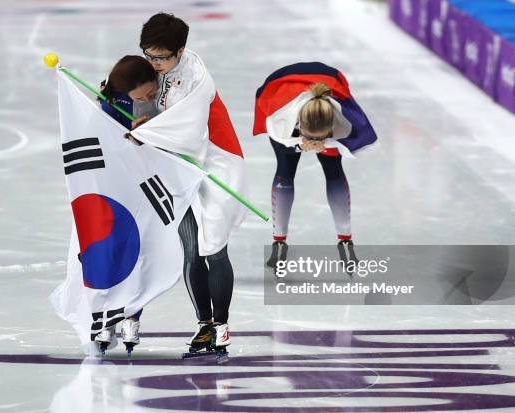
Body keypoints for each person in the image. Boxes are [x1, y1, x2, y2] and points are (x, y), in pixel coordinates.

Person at [134, 12, 246, 356]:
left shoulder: (197, 78)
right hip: (178, 165)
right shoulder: (154, 68)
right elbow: (133, 97)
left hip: (216, 166)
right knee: (191, 247)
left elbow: (188, 132)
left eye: (161, 57)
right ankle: (204, 325)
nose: (154, 64)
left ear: (180, 51)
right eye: (148, 55)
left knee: (214, 246)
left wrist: (146, 130)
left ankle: (222, 327)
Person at [253, 62, 377, 270]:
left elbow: (361, 145)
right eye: (311, 137)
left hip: (331, 82)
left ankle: (345, 240)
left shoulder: (344, 119)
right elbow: (283, 141)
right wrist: (301, 146)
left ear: (332, 128)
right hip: (278, 89)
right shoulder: (280, 120)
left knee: (333, 169)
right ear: (300, 127)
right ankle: (279, 243)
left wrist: (326, 143)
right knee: (285, 169)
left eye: (324, 137)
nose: (317, 142)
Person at [94, 55, 159, 354]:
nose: (148, 98)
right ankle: (107, 314)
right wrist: (128, 137)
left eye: (151, 92)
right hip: (116, 183)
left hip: (151, 184)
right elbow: (103, 145)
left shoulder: (161, 94)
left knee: (143, 252)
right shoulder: (110, 105)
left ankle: (133, 314)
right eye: (141, 97)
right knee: (115, 249)